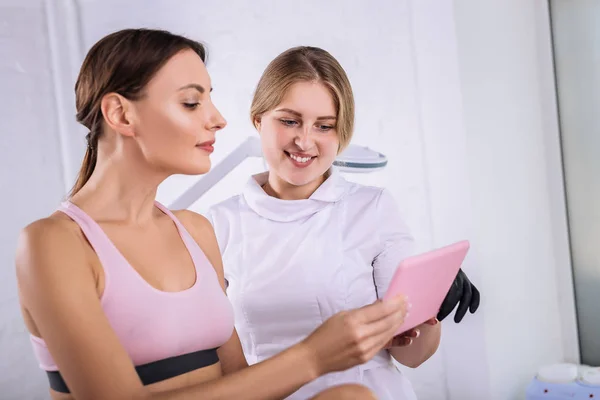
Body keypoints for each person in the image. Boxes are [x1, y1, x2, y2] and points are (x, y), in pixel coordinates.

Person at [14, 29, 409, 400]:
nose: (218, 119)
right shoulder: (54, 244)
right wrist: (313, 356)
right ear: (120, 114)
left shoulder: (195, 231)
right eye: (191, 102)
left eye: (324, 126)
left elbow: (239, 381)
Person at [206, 46, 480, 400]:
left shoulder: (372, 209)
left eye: (324, 126)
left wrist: (431, 306)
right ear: (258, 119)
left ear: (341, 133)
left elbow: (413, 356)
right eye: (289, 121)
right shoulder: (218, 224)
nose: (305, 140)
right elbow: (215, 361)